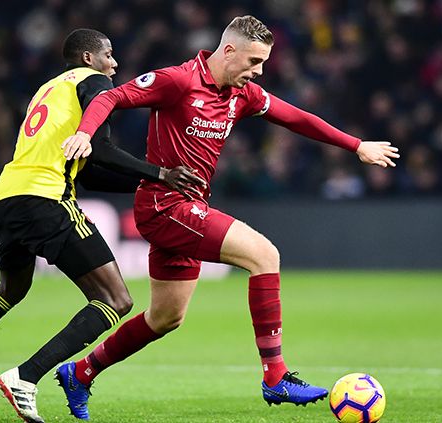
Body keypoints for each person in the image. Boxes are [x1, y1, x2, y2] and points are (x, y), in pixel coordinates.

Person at [57, 15, 399, 420]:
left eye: (264, 64)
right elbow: (110, 97)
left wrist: (356, 145)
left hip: (187, 207)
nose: (258, 72)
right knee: (264, 255)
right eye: (254, 61)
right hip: (165, 205)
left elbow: (295, 117)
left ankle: (80, 372)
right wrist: (84, 132)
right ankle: (276, 377)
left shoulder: (244, 95)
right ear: (229, 50)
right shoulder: (178, 80)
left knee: (166, 317)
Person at [0, 29, 204, 423]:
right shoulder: (95, 83)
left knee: (10, 290)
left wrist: (147, 181)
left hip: (8, 196)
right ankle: (25, 377)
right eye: (109, 55)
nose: (114, 64)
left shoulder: (47, 89)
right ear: (88, 58)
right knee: (116, 300)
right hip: (47, 199)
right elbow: (100, 149)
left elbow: (92, 172)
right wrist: (161, 172)